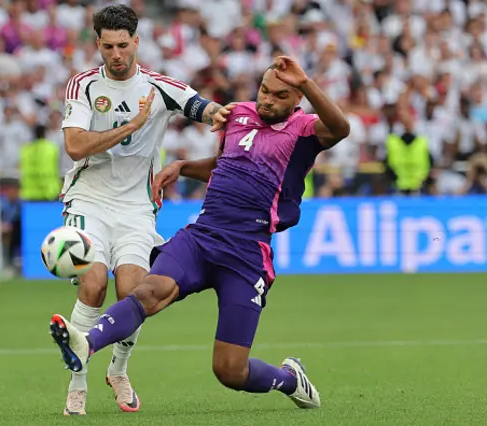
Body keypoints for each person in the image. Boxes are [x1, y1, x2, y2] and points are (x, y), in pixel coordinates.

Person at [49, 56, 350, 408]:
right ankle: (87, 344)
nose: (267, 99)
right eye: (264, 90)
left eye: (280, 95)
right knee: (149, 290)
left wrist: (307, 82)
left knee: (229, 370)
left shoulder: (305, 130)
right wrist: (182, 167)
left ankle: (288, 378)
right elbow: (226, 165)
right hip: (203, 235)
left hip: (247, 251)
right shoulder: (237, 115)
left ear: (297, 99)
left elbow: (341, 128)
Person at [58, 4, 231, 416]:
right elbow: (76, 145)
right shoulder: (82, 85)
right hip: (89, 200)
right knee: (94, 284)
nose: (116, 55)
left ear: (136, 42)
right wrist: (128, 127)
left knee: (134, 292)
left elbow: (201, 107)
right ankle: (77, 381)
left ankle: (118, 369)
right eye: (107, 47)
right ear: (97, 44)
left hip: (137, 206)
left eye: (122, 45)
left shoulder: (158, 87)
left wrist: (220, 115)